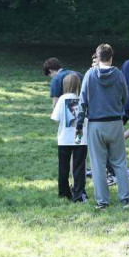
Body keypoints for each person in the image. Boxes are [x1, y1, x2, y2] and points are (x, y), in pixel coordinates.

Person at [76, 44, 129, 210]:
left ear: (97, 56)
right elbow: (125, 97)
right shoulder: (119, 74)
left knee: (98, 164)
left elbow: (83, 101)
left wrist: (79, 124)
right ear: (111, 58)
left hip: (95, 124)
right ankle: (126, 199)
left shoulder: (89, 74)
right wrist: (120, 112)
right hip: (115, 123)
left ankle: (102, 202)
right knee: (120, 163)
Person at [51, 72, 87, 202]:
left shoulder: (62, 99)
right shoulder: (82, 98)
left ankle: (63, 192)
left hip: (64, 139)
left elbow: (56, 119)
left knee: (63, 167)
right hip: (80, 138)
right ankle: (79, 193)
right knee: (79, 167)